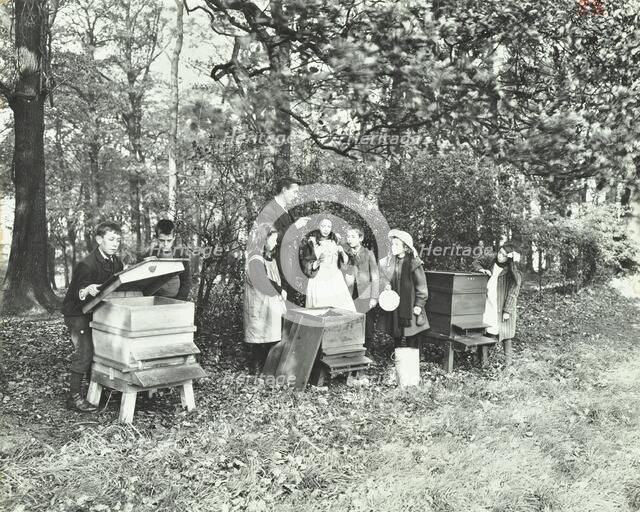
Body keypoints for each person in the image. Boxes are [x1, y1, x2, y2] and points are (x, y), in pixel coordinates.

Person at [62, 221, 124, 412]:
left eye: (118, 240)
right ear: (99, 240)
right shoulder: (86, 265)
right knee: (85, 351)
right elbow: (76, 294)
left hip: (96, 311)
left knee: (101, 350)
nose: (115, 244)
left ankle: (94, 390)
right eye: (111, 239)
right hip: (77, 313)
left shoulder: (117, 262)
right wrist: (85, 290)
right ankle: (74, 397)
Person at [244, 223, 287, 375]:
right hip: (258, 304)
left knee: (270, 337)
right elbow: (261, 280)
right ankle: (256, 371)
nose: (275, 243)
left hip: (270, 305)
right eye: (273, 239)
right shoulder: (255, 258)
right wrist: (279, 289)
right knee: (258, 339)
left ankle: (267, 370)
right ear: (264, 239)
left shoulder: (269, 258)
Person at [259, 177, 310, 300]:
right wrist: (295, 226)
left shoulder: (285, 210)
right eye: (294, 192)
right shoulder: (269, 209)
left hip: (288, 269)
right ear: (284, 190)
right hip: (277, 270)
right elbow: (270, 239)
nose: (296, 195)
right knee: (278, 311)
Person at [377, 229, 429, 348]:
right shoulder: (389, 262)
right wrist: (386, 284)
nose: (393, 247)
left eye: (396, 244)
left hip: (410, 303)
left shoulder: (414, 263)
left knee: (411, 331)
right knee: (397, 330)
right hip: (395, 302)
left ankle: (412, 355)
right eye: (392, 244)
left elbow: (421, 286)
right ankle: (397, 354)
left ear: (405, 247)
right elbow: (383, 277)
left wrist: (419, 304)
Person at [472, 244, 522, 364]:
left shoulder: (512, 270)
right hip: (489, 303)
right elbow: (476, 262)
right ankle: (484, 362)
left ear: (509, 258)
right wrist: (481, 269)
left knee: (506, 334)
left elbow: (513, 292)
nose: (500, 256)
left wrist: (507, 310)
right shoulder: (491, 259)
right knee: (486, 330)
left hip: (502, 306)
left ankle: (508, 363)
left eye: (504, 255)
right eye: (500, 253)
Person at [300, 218, 356, 311]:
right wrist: (318, 262)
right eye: (323, 226)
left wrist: (342, 252)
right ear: (318, 227)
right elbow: (306, 262)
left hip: (335, 278)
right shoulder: (311, 242)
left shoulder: (335, 240)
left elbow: (346, 262)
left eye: (329, 226)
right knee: (321, 309)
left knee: (341, 308)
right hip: (319, 278)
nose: (326, 229)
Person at [342, 226, 379, 349]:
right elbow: (342, 271)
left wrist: (374, 297)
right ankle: (352, 349)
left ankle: (367, 350)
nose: (350, 239)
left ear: (360, 238)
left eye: (353, 236)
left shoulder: (369, 254)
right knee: (351, 321)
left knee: (367, 322)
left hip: (366, 294)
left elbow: (375, 277)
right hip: (349, 293)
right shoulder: (345, 254)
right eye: (348, 237)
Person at [145, 219, 191, 301]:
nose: (165, 244)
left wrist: (180, 299)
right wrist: (146, 265)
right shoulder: (151, 254)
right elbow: (144, 283)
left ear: (174, 238)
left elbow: (186, 281)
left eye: (169, 240)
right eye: (162, 240)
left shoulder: (181, 255)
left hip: (177, 299)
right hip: (156, 300)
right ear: (156, 238)